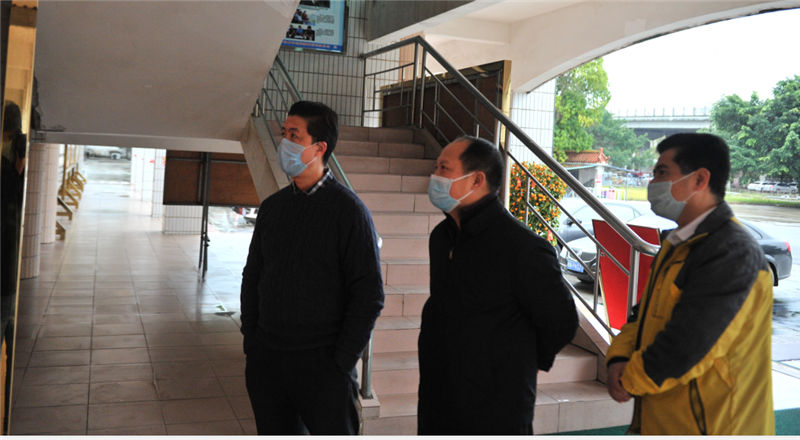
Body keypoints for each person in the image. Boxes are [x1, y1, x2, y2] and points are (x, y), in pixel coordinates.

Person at [606, 133, 774, 435]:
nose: (652, 183)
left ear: (699, 179)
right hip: (667, 422)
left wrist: (629, 378)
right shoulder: (678, 243)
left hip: (716, 427)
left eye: (662, 172)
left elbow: (690, 345)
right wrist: (618, 357)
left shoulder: (732, 252)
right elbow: (642, 317)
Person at [240, 100, 384, 435]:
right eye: (284, 133)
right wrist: (252, 341)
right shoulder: (273, 208)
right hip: (269, 361)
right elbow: (253, 275)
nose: (284, 143)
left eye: (294, 135)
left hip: (323, 367)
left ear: (319, 147)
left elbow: (368, 296)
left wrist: (340, 362)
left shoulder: (349, 212)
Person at [417, 136, 578, 434]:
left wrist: (520, 363)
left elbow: (561, 321)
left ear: (477, 180)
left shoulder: (522, 247)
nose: (434, 175)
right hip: (438, 396)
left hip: (495, 407)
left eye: (444, 168)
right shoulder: (441, 237)